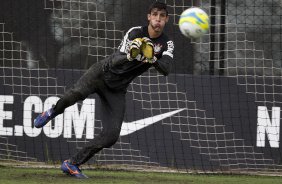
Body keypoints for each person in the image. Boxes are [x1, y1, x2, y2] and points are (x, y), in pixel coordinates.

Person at [34, 1, 174, 179]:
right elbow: (117, 59)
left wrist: (151, 58)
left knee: (111, 136)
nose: (158, 19)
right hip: (101, 74)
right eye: (155, 15)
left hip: (117, 90)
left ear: (167, 19)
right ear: (149, 17)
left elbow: (166, 69)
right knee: (75, 95)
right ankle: (52, 112)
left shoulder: (167, 43)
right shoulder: (135, 32)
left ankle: (72, 163)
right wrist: (136, 53)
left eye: (162, 16)